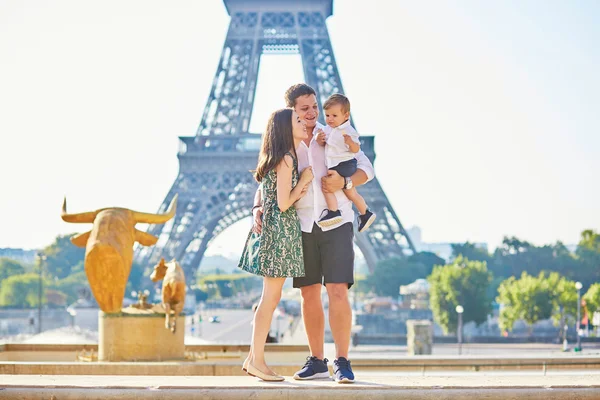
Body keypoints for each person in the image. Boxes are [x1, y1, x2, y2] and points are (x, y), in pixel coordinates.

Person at [252, 84, 375, 384]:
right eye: (304, 108)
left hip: (338, 221)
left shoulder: (333, 132)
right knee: (309, 295)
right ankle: (317, 360)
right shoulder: (286, 141)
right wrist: (257, 206)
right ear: (291, 110)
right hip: (301, 224)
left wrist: (344, 182)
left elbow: (367, 168)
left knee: (337, 291)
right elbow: (268, 176)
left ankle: (342, 361)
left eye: (314, 106)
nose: (312, 113)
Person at [238, 108, 313, 382]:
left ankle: (254, 358)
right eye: (297, 119)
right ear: (285, 128)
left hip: (276, 231)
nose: (303, 121)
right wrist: (304, 180)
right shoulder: (286, 159)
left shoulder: (281, 157)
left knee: (270, 298)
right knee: (269, 299)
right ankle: (257, 360)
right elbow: (283, 203)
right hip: (279, 233)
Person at [316, 93, 376, 232]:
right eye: (327, 115)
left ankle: (333, 211)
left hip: (344, 165)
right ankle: (365, 213)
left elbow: (356, 149)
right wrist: (319, 139)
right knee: (351, 193)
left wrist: (350, 143)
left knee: (327, 185)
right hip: (339, 166)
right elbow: (321, 141)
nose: (330, 119)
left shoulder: (348, 131)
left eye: (334, 116)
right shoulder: (327, 129)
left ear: (346, 115)